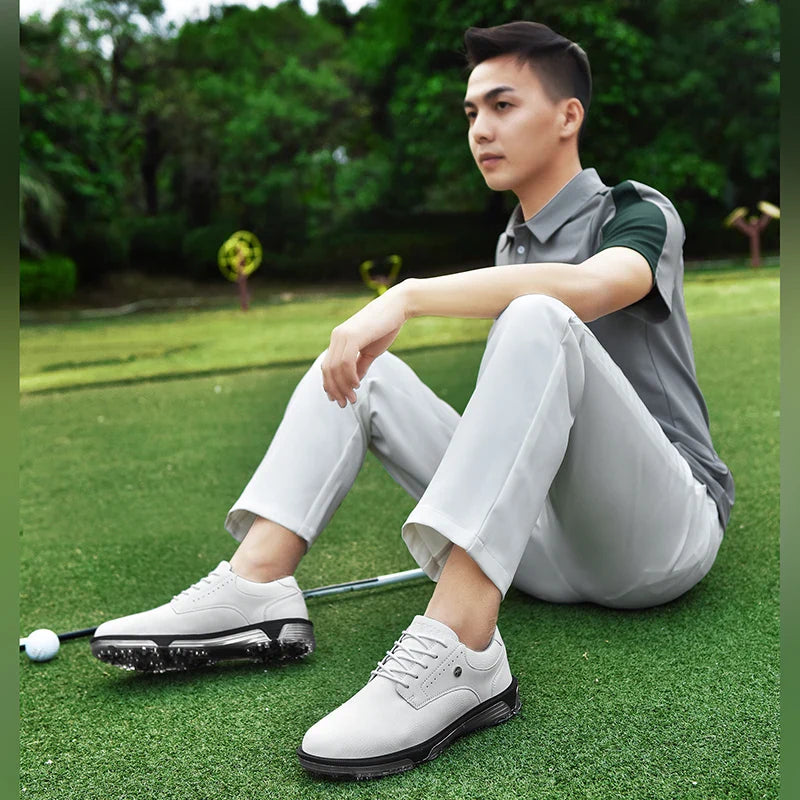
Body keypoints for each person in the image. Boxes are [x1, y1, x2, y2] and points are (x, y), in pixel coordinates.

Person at [90, 20, 734, 780]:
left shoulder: (636, 210)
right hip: (544, 551)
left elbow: (597, 287)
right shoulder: (513, 243)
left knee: (539, 313)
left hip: (659, 539)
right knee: (362, 368)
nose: (481, 129)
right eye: (472, 112)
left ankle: (462, 649)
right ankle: (257, 587)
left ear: (569, 117)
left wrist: (408, 294)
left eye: (502, 105)